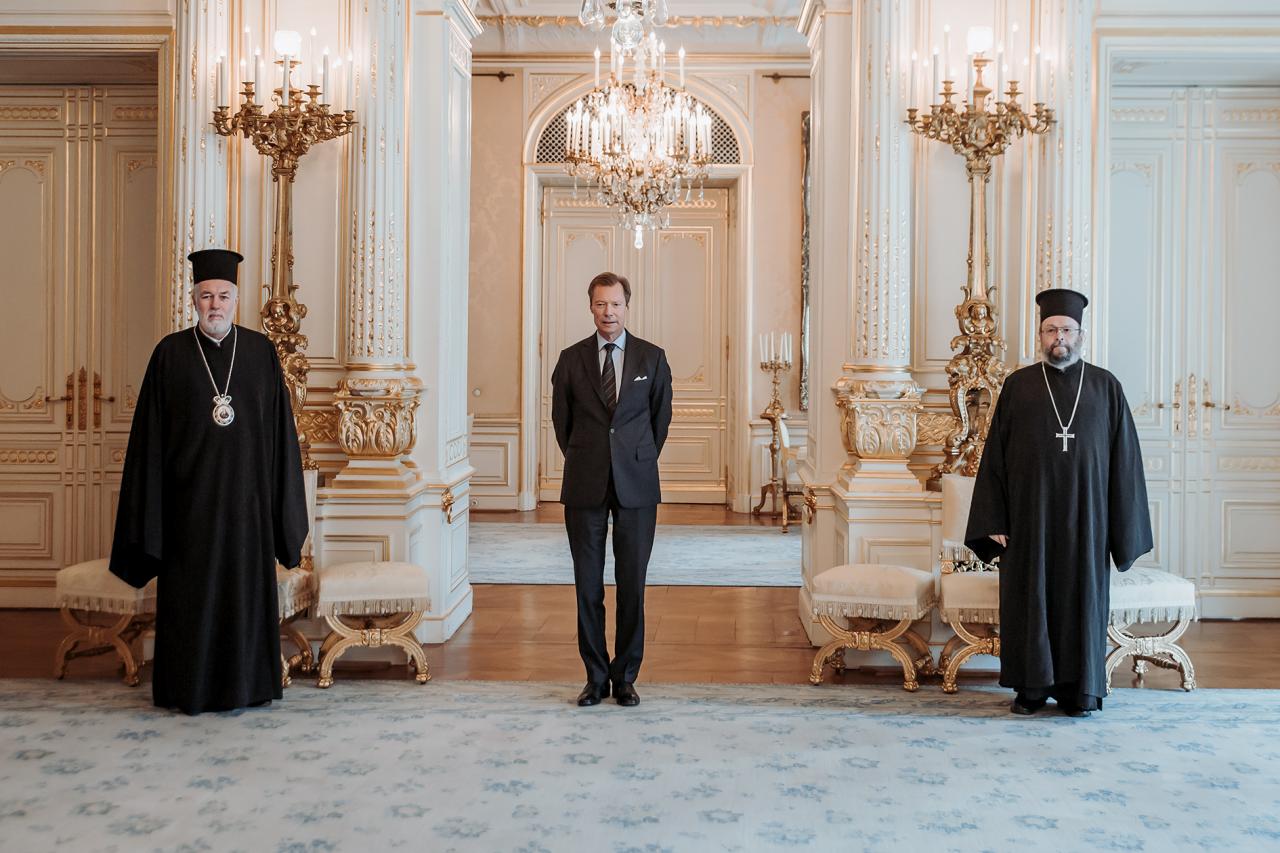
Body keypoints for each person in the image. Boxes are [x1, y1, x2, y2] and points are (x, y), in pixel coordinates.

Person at [109, 249, 309, 715]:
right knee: (191, 604)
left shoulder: (260, 353)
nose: (214, 304)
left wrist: (282, 513)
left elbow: (281, 439)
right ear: (193, 300)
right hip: (188, 513)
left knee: (242, 602)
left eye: (222, 296)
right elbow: (149, 445)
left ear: (236, 300)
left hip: (248, 511)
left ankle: (250, 686)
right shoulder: (169, 354)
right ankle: (188, 690)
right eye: (205, 296)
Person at [964, 288, 1152, 718]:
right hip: (1029, 520)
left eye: (1066, 329)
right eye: (1051, 330)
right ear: (1041, 334)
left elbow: (1125, 463)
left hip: (1088, 522)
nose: (1059, 338)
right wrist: (994, 517)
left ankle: (1081, 692)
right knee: (1031, 601)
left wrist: (1123, 527)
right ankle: (1030, 690)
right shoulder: (1018, 386)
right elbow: (995, 456)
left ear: (1080, 334)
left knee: (1081, 602)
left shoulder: (1105, 387)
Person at [552, 272, 673, 707]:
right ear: (591, 307)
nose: (609, 312)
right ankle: (595, 677)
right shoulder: (570, 360)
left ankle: (625, 677)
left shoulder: (652, 358)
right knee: (588, 586)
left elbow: (660, 421)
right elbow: (560, 422)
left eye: (616, 304)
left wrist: (633, 459)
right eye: (601, 304)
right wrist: (588, 457)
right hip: (584, 482)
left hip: (637, 485)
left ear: (627, 305)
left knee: (632, 584)